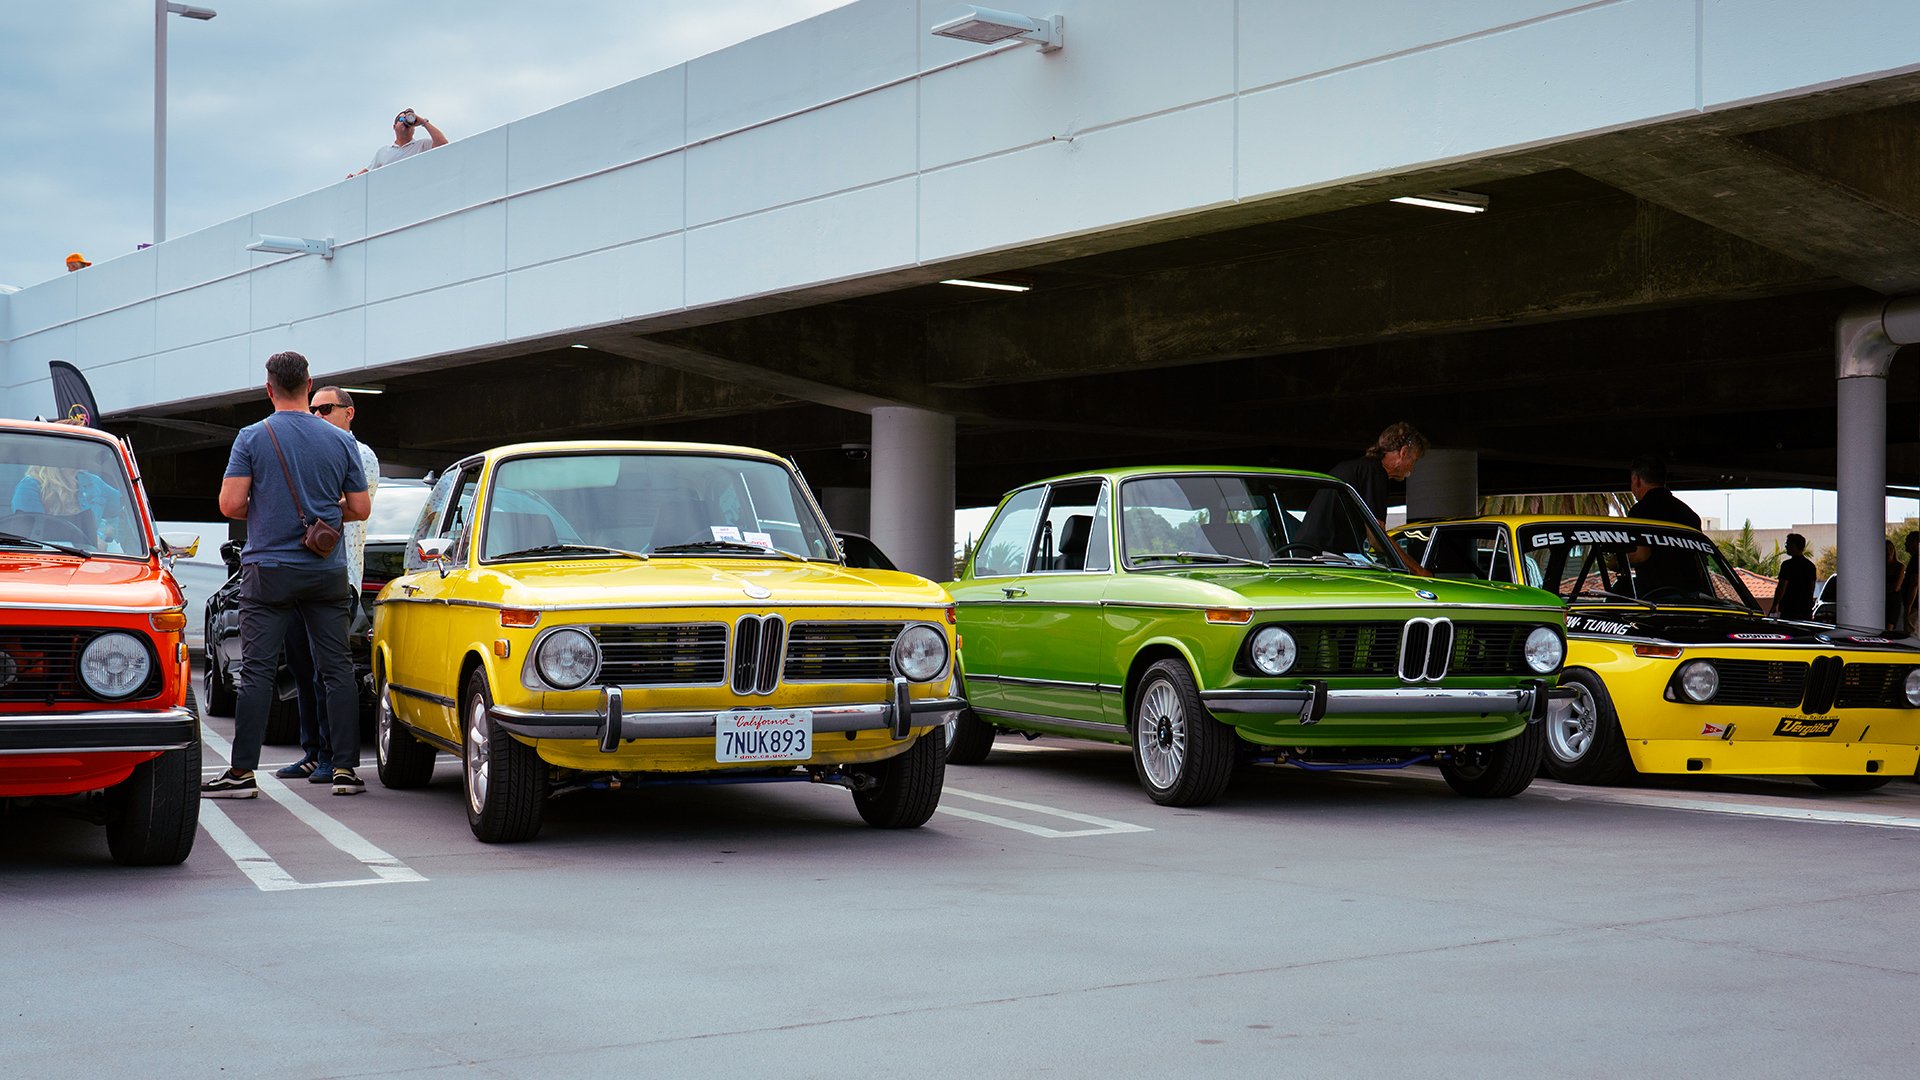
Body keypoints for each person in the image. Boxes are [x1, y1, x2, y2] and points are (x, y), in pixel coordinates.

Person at [203, 351, 370, 799]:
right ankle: (345, 770)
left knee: (257, 671)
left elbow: (230, 504)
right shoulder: (340, 440)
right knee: (336, 669)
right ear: (308, 385)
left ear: (269, 388)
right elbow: (360, 508)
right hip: (325, 571)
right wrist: (324, 513)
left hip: (268, 571)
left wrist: (268, 506)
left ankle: (242, 773)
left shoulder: (252, 437)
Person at [275, 386, 380, 783]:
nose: (317, 414)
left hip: (339, 574)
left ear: (348, 413)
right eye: (313, 408)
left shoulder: (359, 453)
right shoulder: (312, 450)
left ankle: (335, 758)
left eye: (326, 408)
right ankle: (312, 751)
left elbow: (348, 507)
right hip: (300, 572)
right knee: (301, 668)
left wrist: (305, 504)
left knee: (327, 671)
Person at [1623, 456, 1702, 596]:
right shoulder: (1689, 514)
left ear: (1636, 479)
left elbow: (1641, 555)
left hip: (1656, 600)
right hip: (1692, 598)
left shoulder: (1640, 511)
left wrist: (1618, 561)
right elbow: (1700, 561)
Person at [348, 107, 448, 177]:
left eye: (407, 119)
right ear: (394, 126)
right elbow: (369, 170)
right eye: (401, 119)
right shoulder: (383, 151)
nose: (405, 121)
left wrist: (423, 122)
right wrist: (355, 176)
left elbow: (443, 144)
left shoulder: (422, 145)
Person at [1768, 533, 1816, 621]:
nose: (1786, 546)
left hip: (1789, 609)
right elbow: (1812, 588)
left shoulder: (1787, 565)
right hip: (1805, 610)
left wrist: (1774, 605)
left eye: (1788, 544)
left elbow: (1782, 587)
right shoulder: (1811, 566)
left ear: (1794, 546)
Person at [1885, 538, 1905, 634]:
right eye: (1886, 549)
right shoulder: (1879, 567)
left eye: (1890, 549)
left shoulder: (1899, 566)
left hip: (1893, 600)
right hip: (1881, 601)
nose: (1888, 552)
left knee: (1889, 627)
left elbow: (1896, 587)